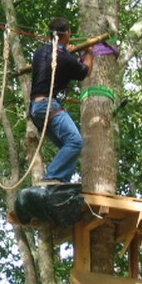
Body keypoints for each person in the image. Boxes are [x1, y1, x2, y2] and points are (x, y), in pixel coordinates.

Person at [29, 17, 93, 185]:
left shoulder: (39, 53)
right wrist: (89, 51)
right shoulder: (64, 57)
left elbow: (57, 64)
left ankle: (60, 181)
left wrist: (68, 51)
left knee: (70, 145)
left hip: (36, 109)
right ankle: (52, 178)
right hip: (48, 105)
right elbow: (84, 71)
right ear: (67, 33)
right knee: (75, 141)